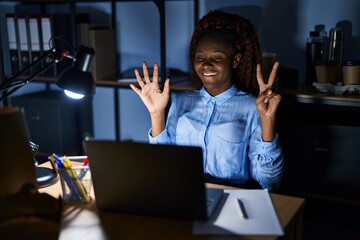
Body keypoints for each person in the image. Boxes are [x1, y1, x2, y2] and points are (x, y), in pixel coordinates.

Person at [130, 10, 284, 192]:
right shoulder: (180, 101)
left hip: (231, 196)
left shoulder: (253, 107)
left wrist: (268, 120)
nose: (206, 65)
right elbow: (163, 164)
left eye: (217, 58)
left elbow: (270, 182)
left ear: (235, 60)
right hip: (183, 192)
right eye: (200, 58)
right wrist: (156, 114)